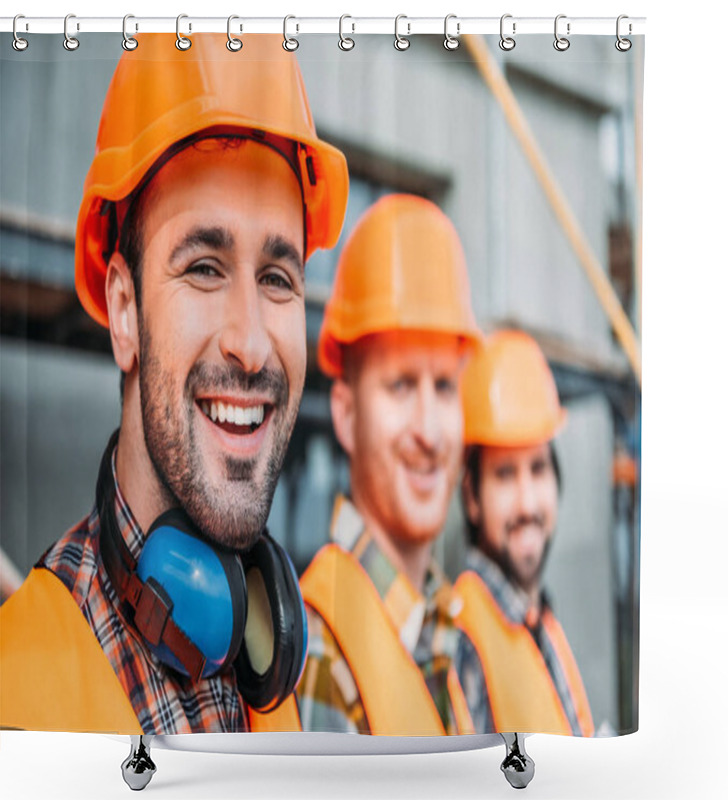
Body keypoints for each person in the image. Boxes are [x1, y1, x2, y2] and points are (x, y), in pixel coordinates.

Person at [0, 33, 348, 735]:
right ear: (124, 312)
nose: (250, 345)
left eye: (278, 278)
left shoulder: (269, 674)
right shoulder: (15, 699)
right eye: (203, 268)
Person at [295, 194, 483, 735]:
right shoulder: (319, 653)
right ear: (347, 414)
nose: (428, 430)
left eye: (444, 386)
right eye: (401, 385)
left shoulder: (450, 628)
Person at [455, 330, 594, 736]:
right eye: (504, 475)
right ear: (472, 497)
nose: (528, 503)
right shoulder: (463, 641)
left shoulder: (540, 620)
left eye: (537, 468)